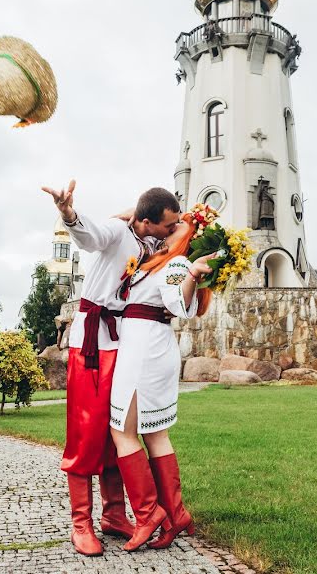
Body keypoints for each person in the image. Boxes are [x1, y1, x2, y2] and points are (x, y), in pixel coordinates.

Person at [41, 180, 181, 556]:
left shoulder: (154, 244)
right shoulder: (119, 231)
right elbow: (91, 236)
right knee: (86, 433)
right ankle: (81, 523)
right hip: (91, 343)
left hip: (124, 342)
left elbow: (185, 227)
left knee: (117, 429)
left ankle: (115, 516)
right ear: (148, 221)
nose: (173, 229)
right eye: (168, 224)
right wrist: (68, 213)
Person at [109, 211, 214, 551]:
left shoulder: (176, 265)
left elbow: (180, 305)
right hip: (142, 347)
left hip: (146, 352)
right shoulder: (153, 262)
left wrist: (193, 275)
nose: (165, 233)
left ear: (184, 237)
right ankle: (175, 514)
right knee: (154, 434)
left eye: (174, 229)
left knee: (123, 431)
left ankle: (148, 514)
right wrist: (133, 214)